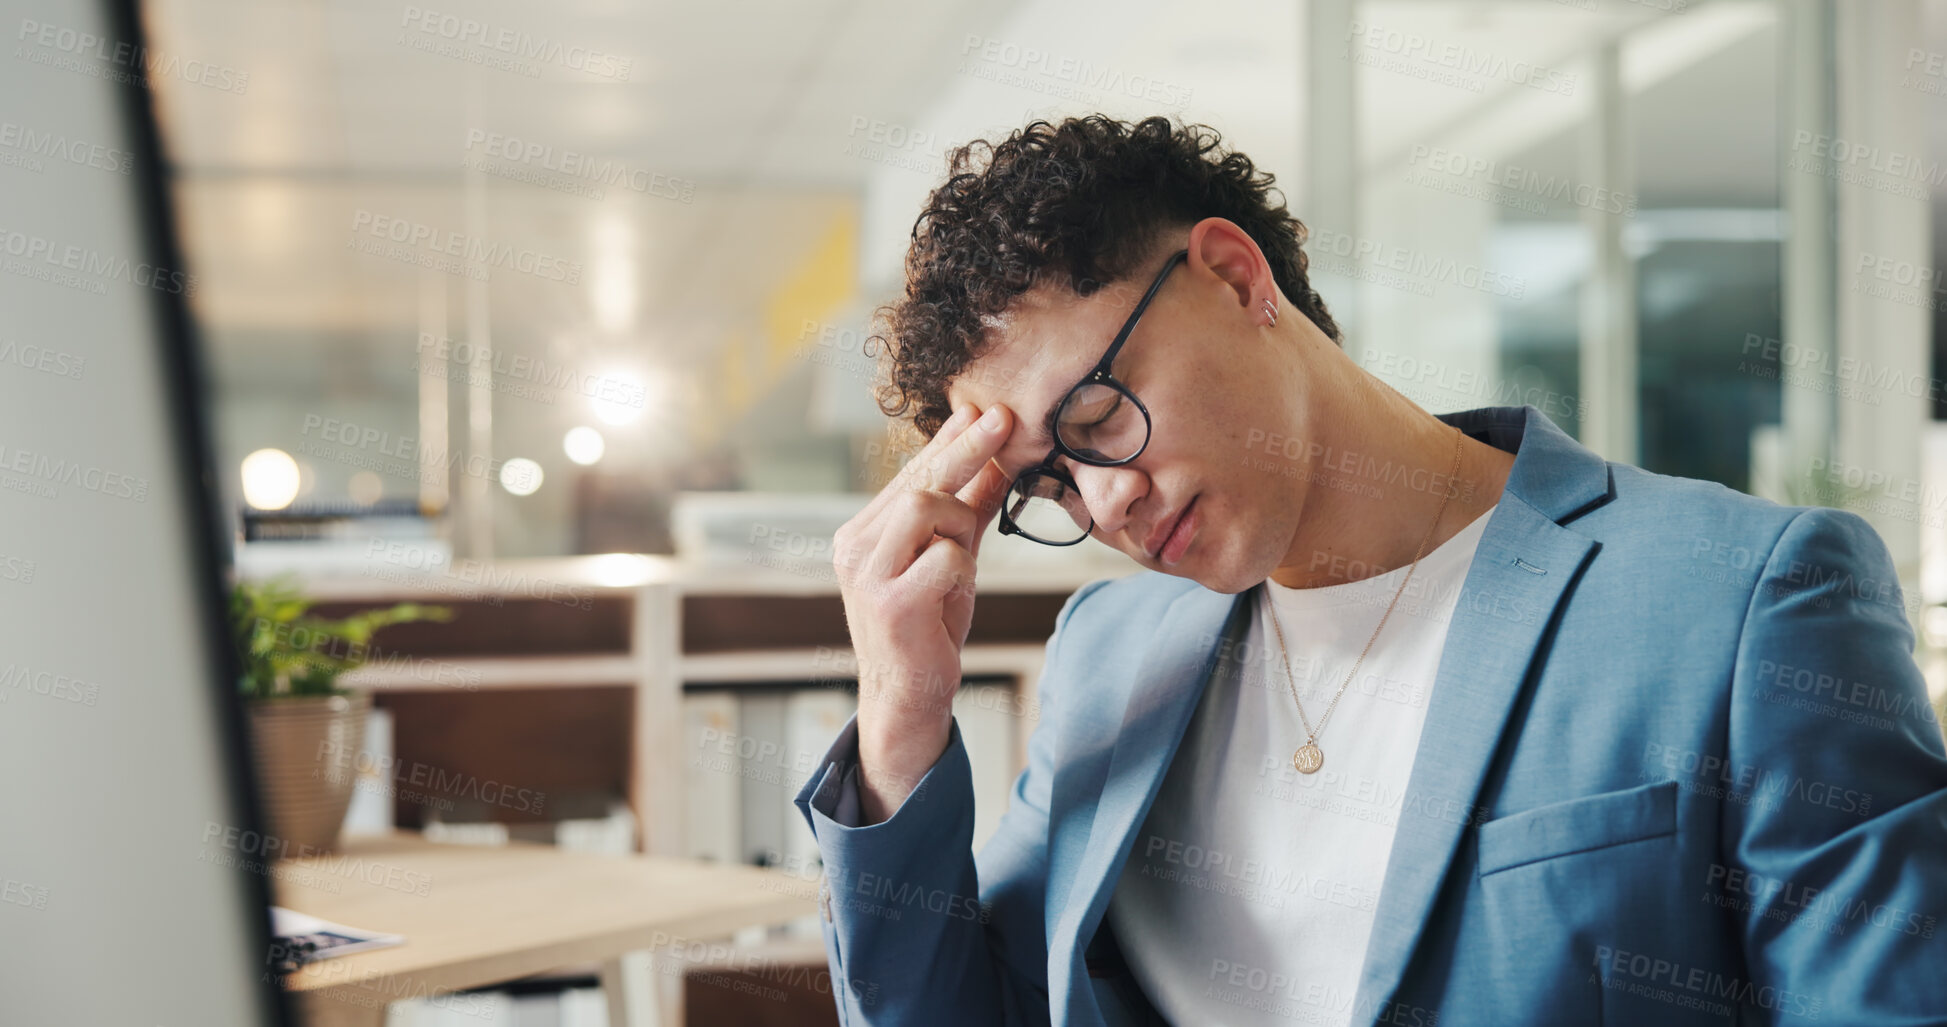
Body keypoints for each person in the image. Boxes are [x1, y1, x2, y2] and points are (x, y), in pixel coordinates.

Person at [792, 114, 1947, 1026]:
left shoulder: (1746, 598)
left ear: (1238, 279)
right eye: (1047, 482)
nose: (1104, 500)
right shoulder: (1111, 655)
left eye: (1096, 416)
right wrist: (902, 715)